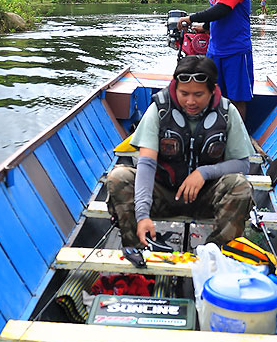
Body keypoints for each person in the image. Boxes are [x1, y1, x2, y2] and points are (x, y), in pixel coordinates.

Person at [107, 55, 254, 249]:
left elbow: (243, 164)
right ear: (175, 88)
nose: (190, 101)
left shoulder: (228, 112)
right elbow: (146, 164)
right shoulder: (158, 110)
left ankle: (217, 252)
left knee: (240, 186)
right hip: (162, 195)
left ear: (212, 91)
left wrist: (203, 173)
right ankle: (137, 248)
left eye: (198, 94)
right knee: (118, 177)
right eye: (184, 93)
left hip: (207, 198)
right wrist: (142, 215)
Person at [177, 0, 253, 121]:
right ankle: (215, 133)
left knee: (237, 98)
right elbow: (218, 15)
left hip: (235, 50)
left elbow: (223, 9)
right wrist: (203, 26)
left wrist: (191, 18)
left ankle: (238, 138)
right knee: (213, 95)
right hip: (215, 50)